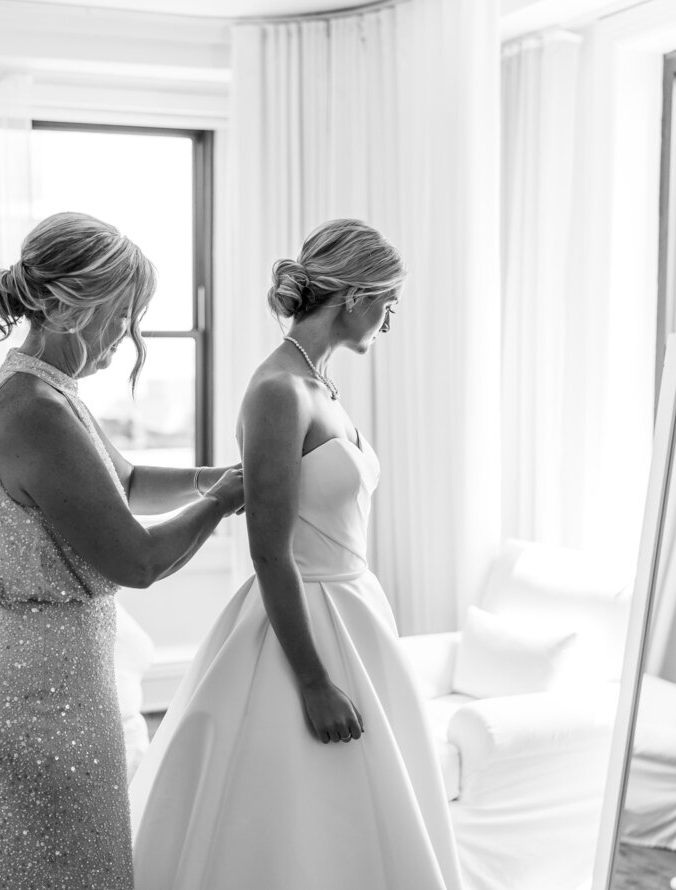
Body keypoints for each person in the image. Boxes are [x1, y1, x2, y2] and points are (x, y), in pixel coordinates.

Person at [129, 219, 462, 890]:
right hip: (302, 622)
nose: (391, 318)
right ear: (355, 296)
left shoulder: (320, 386)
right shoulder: (279, 391)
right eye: (389, 300)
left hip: (356, 613)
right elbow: (269, 551)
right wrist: (312, 682)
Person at [0, 211, 245, 890]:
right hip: (33, 687)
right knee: (53, 866)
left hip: (22, 663)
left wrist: (212, 478)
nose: (129, 337)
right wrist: (222, 504)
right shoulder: (36, 407)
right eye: (123, 315)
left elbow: (122, 482)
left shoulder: (44, 385)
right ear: (72, 307)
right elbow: (138, 560)